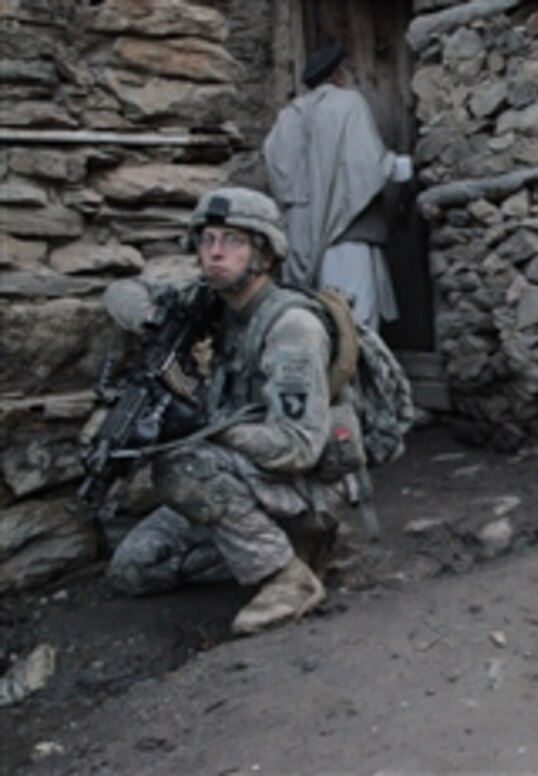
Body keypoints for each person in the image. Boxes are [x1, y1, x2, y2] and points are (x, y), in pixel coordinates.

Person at [102, 187, 364, 636]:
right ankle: (288, 550)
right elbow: (119, 291)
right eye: (208, 240)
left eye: (233, 241)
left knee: (182, 465)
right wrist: (151, 318)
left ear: (264, 253)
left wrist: (206, 427)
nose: (216, 253)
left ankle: (286, 577)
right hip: (249, 478)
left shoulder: (291, 328)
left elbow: (299, 446)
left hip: (301, 483)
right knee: (134, 568)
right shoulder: (217, 305)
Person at [262, 42, 412, 331]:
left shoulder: (288, 117)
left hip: (301, 241)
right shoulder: (348, 104)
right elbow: (365, 165)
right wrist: (397, 166)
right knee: (355, 324)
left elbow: (279, 177)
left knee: (314, 319)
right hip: (346, 235)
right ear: (338, 75)